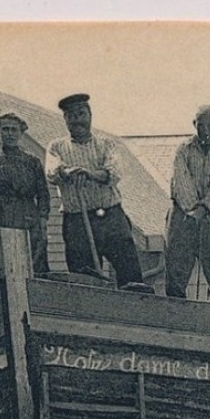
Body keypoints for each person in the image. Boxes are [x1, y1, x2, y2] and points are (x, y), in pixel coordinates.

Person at [45, 93, 145, 288]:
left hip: (110, 217)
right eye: (71, 116)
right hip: (76, 221)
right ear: (65, 120)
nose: (77, 120)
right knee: (84, 279)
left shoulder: (107, 144)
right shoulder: (56, 147)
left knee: (130, 273)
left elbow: (113, 173)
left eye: (81, 114)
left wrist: (89, 174)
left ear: (90, 115)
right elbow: (51, 172)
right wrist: (68, 171)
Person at [165, 104, 210, 303]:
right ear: (194, 124)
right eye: (201, 125)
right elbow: (181, 181)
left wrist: (204, 208)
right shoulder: (183, 150)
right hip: (183, 213)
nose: (206, 131)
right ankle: (175, 312)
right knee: (176, 269)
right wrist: (192, 210)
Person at [0, 112, 50, 274]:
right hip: (2, 215)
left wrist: (43, 220)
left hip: (28, 215)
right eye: (5, 129)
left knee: (33, 259)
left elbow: (43, 193)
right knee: (0, 260)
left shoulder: (32, 161)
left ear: (21, 133)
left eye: (14, 130)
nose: (10, 134)